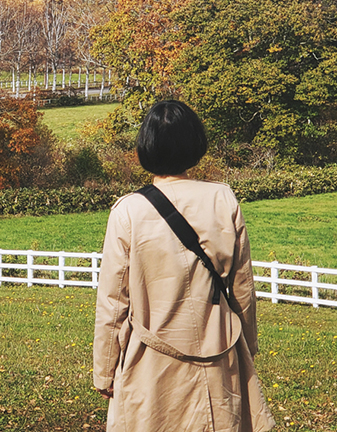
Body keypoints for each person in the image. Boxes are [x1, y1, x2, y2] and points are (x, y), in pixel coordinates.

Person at [93, 100, 275, 432]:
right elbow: (242, 289)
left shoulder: (128, 211)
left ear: (145, 146)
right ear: (195, 144)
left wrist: (105, 371)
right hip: (219, 358)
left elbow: (113, 302)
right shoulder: (223, 199)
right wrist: (246, 345)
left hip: (150, 365)